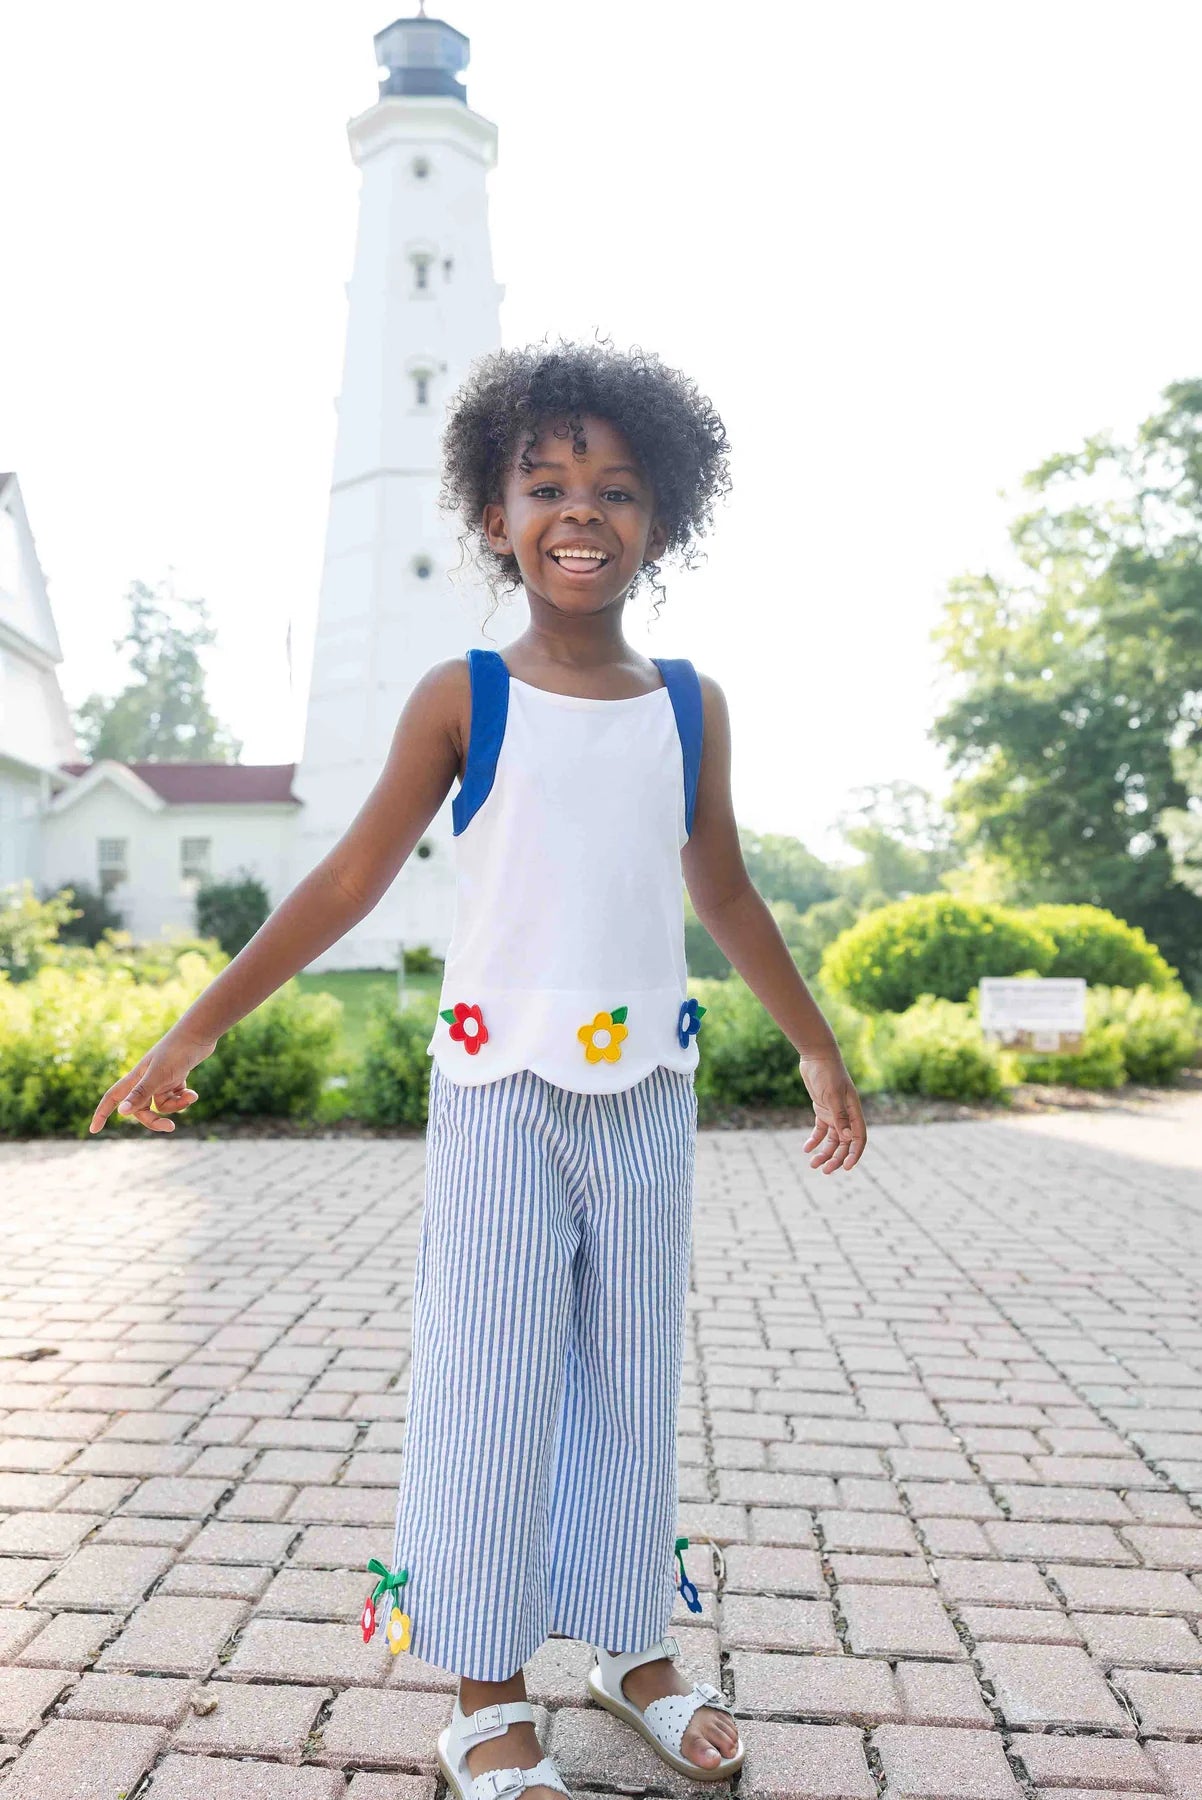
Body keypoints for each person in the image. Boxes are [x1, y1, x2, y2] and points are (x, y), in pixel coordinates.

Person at [90, 340, 868, 1800]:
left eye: (619, 489)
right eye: (547, 484)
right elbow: (343, 883)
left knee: (632, 1382)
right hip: (499, 1093)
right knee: (494, 1385)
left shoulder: (689, 703)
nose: (583, 512)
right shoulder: (467, 695)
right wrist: (198, 1023)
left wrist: (818, 1048)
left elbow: (728, 895)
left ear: (664, 518)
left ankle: (630, 1648)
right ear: (494, 512)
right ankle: (484, 1690)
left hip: (646, 1092)